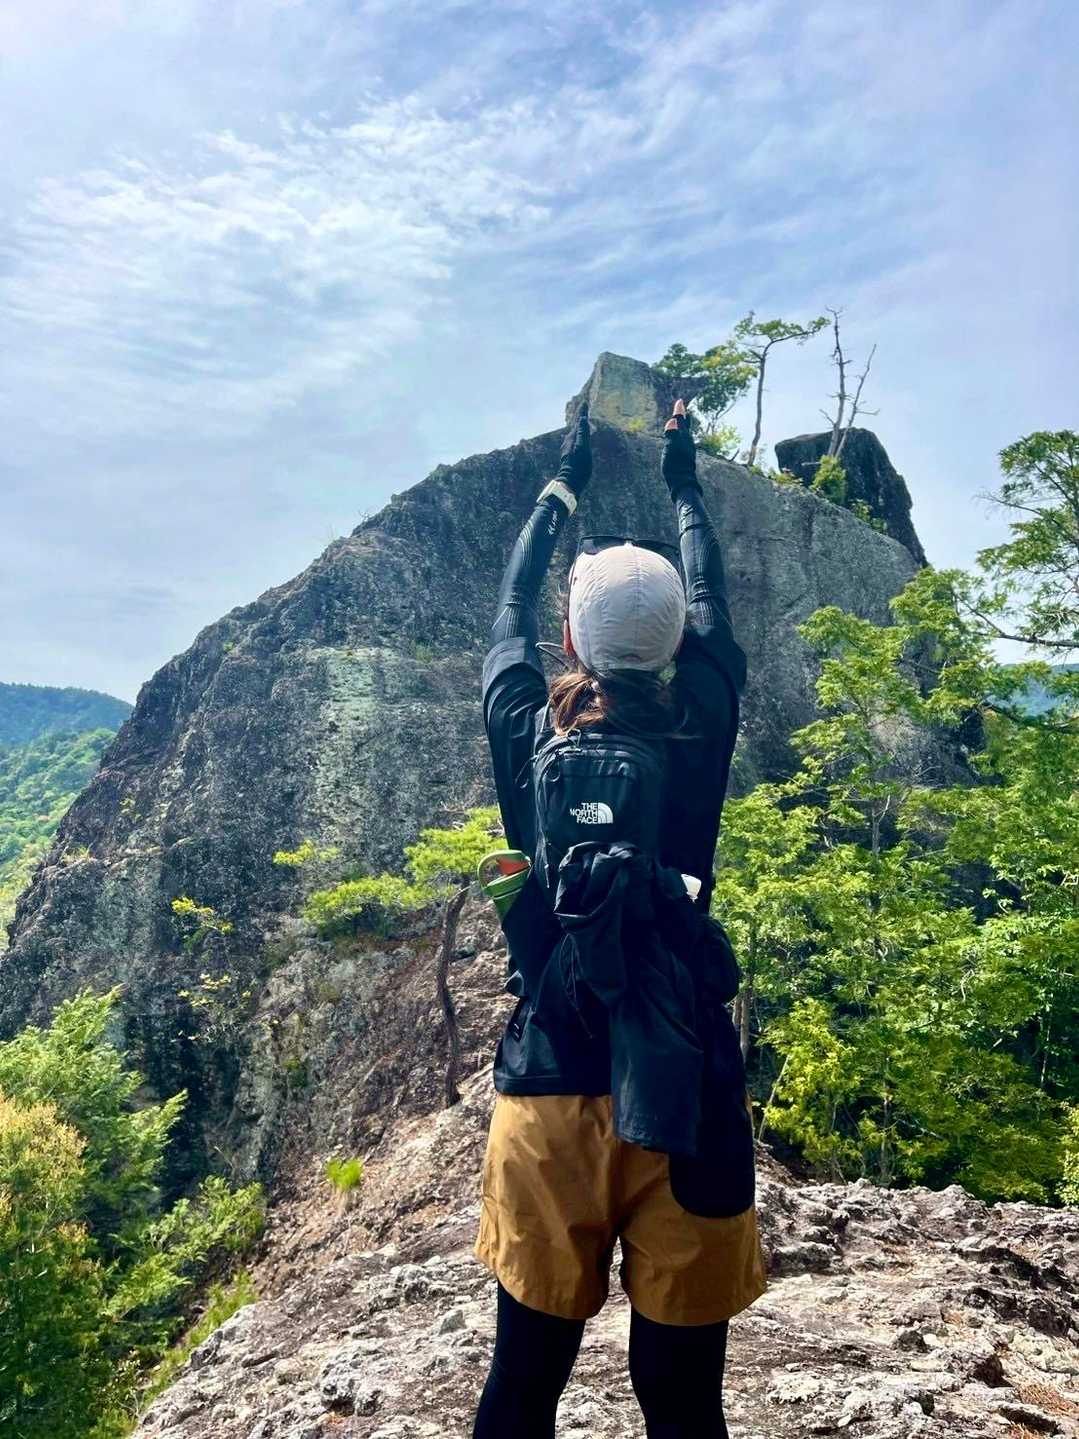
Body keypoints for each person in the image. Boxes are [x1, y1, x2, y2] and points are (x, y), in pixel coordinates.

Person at [472, 397, 767, 1439]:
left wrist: (565, 477)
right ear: (680, 637)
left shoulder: (522, 720)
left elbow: (507, 603)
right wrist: (683, 469)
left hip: (550, 1083)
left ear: (569, 638)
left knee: (521, 1385)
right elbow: (710, 583)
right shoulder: (704, 710)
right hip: (680, 1089)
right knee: (682, 1402)